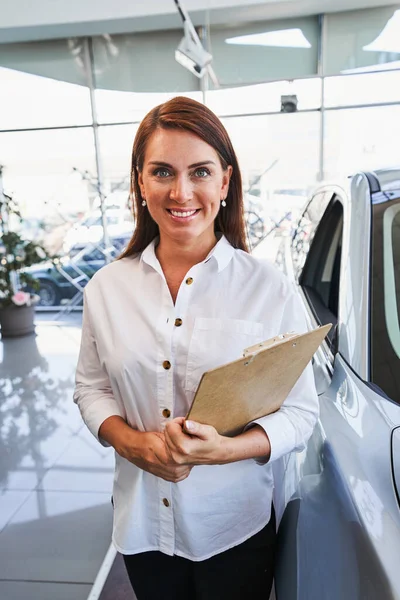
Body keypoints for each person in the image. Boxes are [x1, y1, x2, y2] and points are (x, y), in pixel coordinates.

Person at [73, 96, 318, 600]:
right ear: (140, 182)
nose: (181, 191)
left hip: (233, 528)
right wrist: (131, 443)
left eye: (200, 172)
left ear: (225, 182)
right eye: (162, 172)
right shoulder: (105, 288)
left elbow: (300, 414)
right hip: (142, 527)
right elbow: (91, 388)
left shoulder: (269, 288)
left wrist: (227, 449)